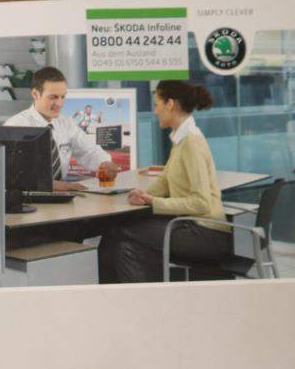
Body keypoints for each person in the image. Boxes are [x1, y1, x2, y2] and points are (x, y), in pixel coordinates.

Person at [97, 81, 231, 283]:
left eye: (157, 104)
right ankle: (125, 298)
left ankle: (120, 297)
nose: (155, 111)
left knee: (115, 233)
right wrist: (142, 195)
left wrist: (153, 202)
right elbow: (165, 182)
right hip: (190, 226)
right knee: (123, 246)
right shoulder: (180, 140)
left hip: (205, 233)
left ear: (170, 104)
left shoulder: (191, 142)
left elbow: (201, 202)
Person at [6, 67, 117, 191]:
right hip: (27, 197)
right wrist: (63, 187)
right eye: (53, 97)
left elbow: (89, 150)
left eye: (62, 97)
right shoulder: (16, 125)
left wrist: (104, 163)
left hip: (60, 195)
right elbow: (17, 176)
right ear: (35, 94)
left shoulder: (66, 123)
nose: (59, 104)